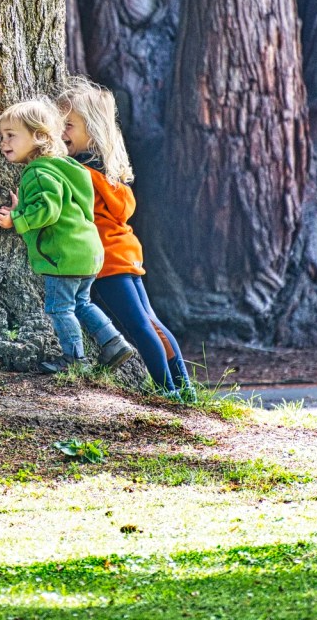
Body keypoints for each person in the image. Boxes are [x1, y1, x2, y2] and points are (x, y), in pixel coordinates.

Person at [57, 77, 195, 402]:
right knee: (151, 322)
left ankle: (168, 392)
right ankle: (182, 386)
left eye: (69, 126)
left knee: (139, 326)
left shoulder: (79, 173)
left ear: (90, 129)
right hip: (125, 252)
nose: (61, 133)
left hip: (106, 259)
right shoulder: (106, 172)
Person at [0, 97, 134, 374]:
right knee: (82, 303)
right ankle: (114, 343)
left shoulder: (36, 171)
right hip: (90, 251)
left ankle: (75, 359)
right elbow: (64, 201)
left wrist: (16, 219)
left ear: (39, 136)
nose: (3, 143)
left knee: (60, 309)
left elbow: (48, 208)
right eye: (1, 136)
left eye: (11, 135)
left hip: (63, 255)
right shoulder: (69, 168)